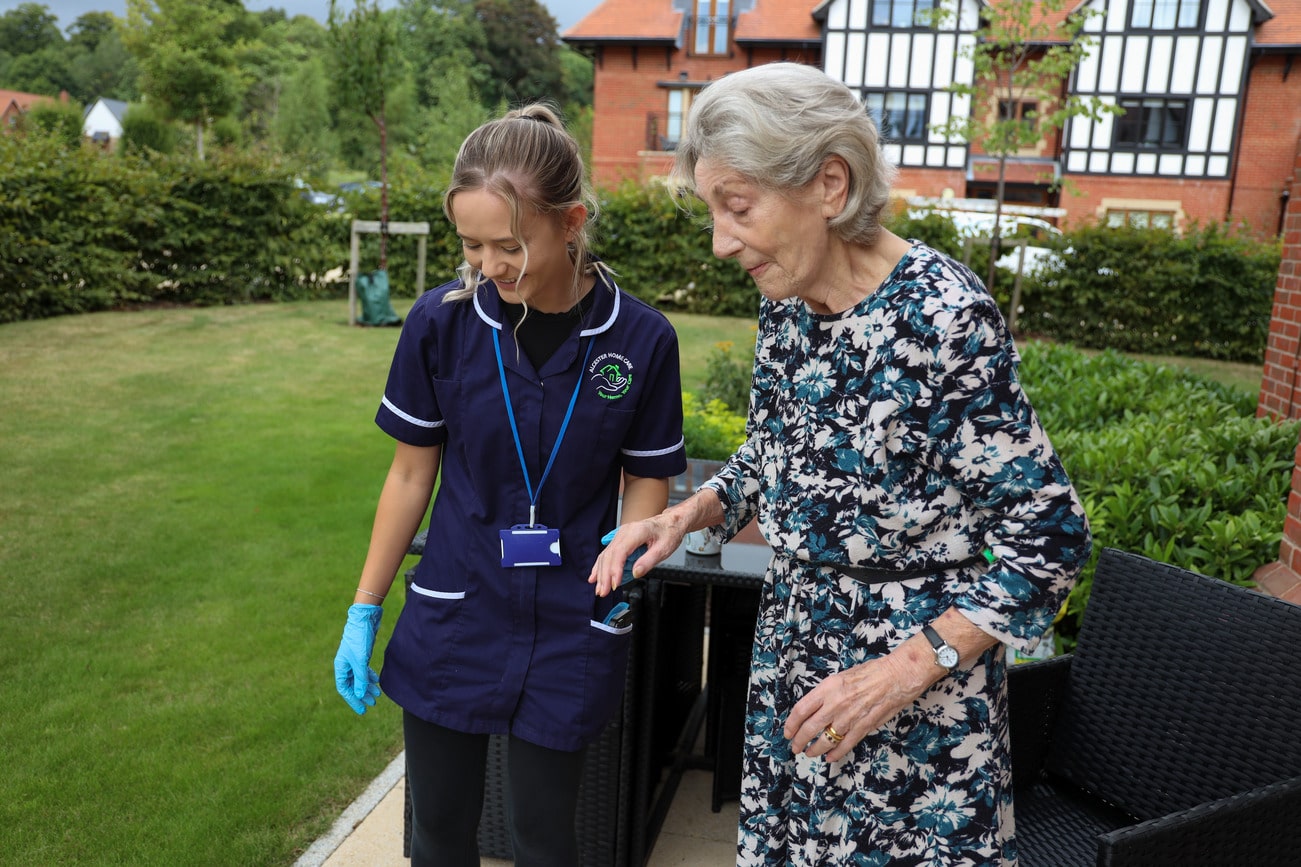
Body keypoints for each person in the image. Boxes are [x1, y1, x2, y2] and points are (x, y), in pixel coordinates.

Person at [590, 63, 1091, 866]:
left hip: (913, 712)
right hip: (793, 659)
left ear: (829, 183)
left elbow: (1051, 542)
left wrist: (899, 672)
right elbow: (772, 453)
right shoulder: (786, 298)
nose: (720, 243)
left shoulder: (942, 319)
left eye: (738, 207)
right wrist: (681, 515)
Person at [333, 103, 687, 866]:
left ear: (570, 221)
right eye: (470, 245)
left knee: (545, 839)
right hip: (455, 608)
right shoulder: (440, 323)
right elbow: (408, 473)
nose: (488, 267)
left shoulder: (641, 338)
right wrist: (364, 606)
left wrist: (624, 562)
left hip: (569, 613)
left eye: (508, 246)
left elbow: (647, 474)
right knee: (439, 834)